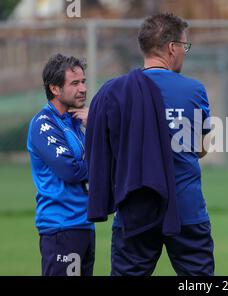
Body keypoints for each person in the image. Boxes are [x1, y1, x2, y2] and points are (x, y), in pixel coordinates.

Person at [86, 13, 213, 276]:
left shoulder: (113, 92)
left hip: (135, 210)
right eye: (184, 46)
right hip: (186, 209)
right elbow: (201, 149)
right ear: (171, 48)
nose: (184, 53)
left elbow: (103, 154)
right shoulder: (193, 90)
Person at [26, 54, 94, 276]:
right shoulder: (43, 124)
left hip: (84, 225)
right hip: (61, 228)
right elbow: (71, 170)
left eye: (83, 81)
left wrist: (94, 128)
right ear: (54, 89)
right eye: (74, 83)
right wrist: (101, 162)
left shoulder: (76, 121)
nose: (82, 88)